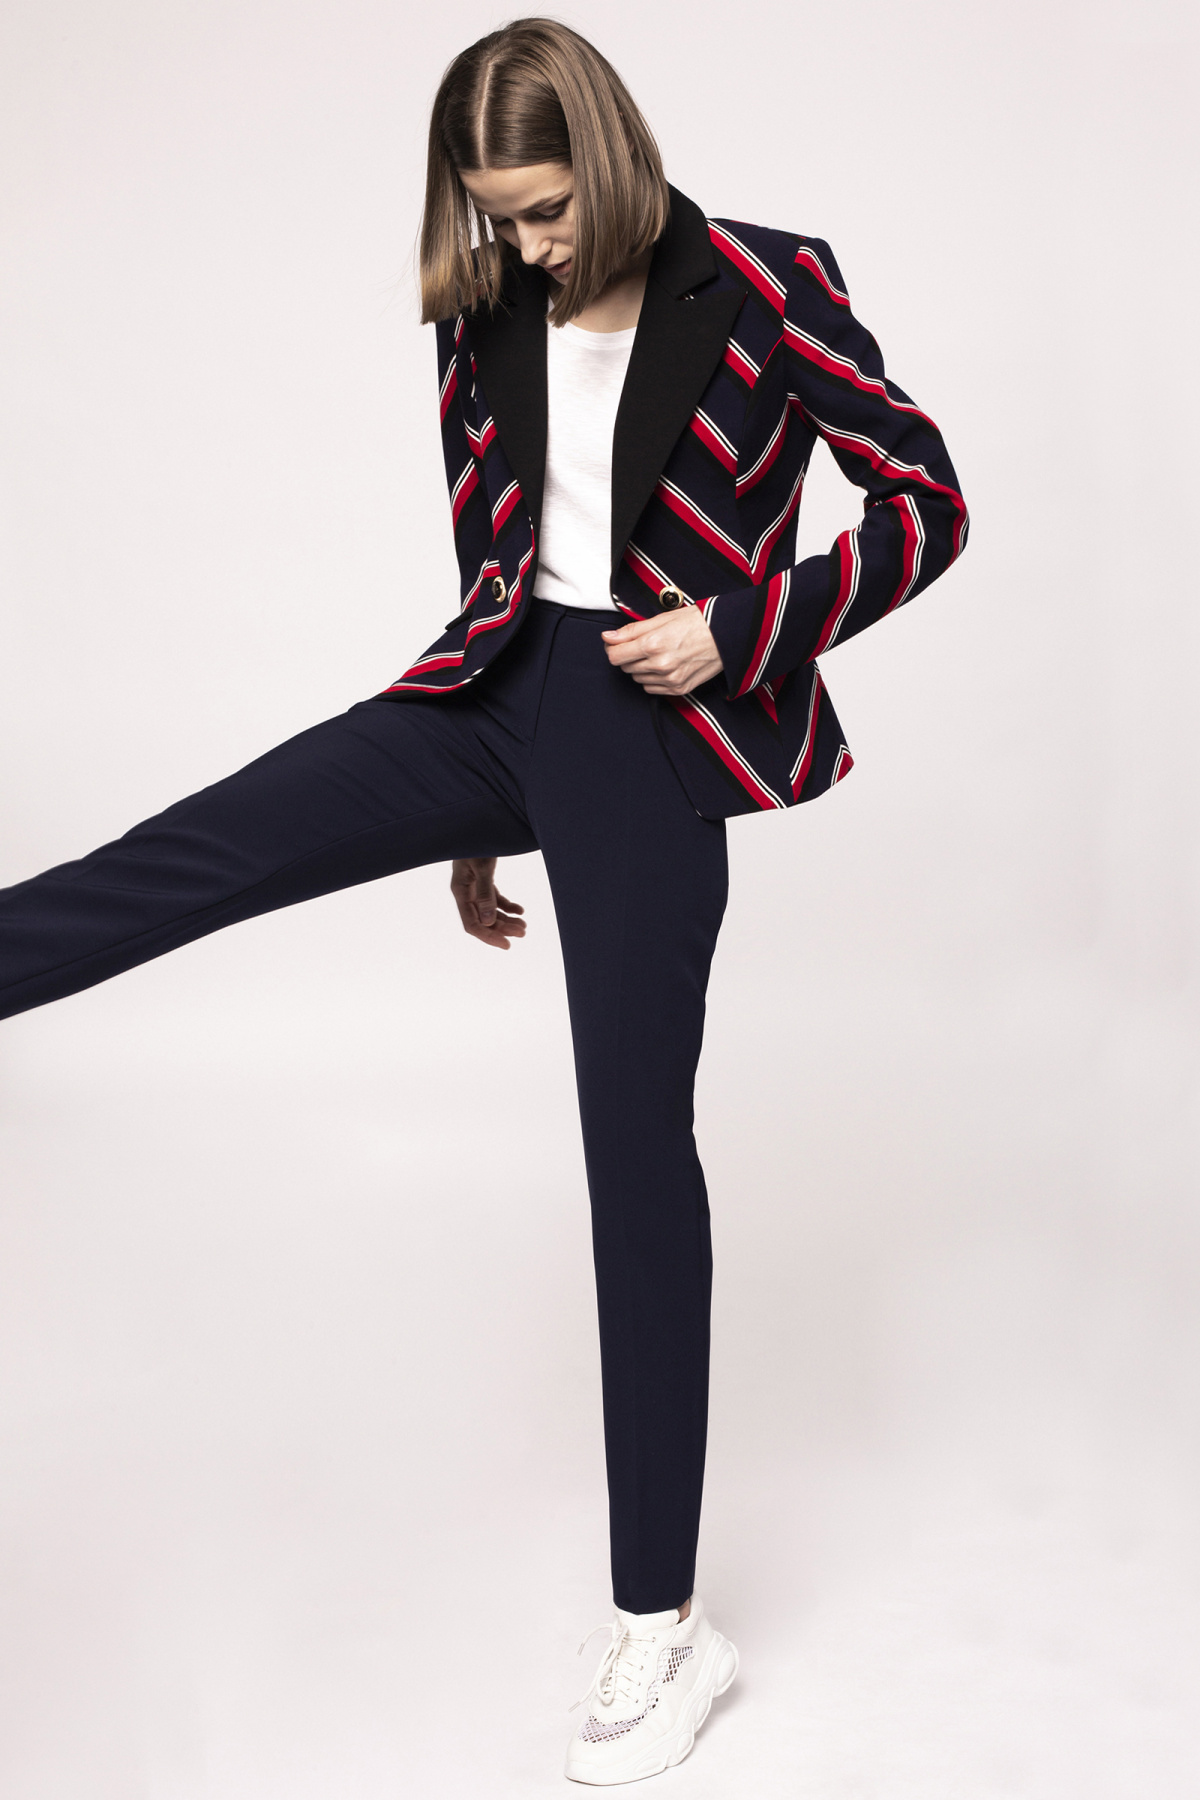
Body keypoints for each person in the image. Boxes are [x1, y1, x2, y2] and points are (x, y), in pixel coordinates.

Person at [0, 17, 968, 1787]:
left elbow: (930, 501)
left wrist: (744, 627)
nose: (522, 245)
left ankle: (664, 1625)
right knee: (199, 850)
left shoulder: (768, 284)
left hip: (652, 734)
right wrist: (472, 813)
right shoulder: (484, 305)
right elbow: (493, 544)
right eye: (495, 214)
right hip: (495, 698)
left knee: (634, 1155)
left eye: (542, 209)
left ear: (609, 155)